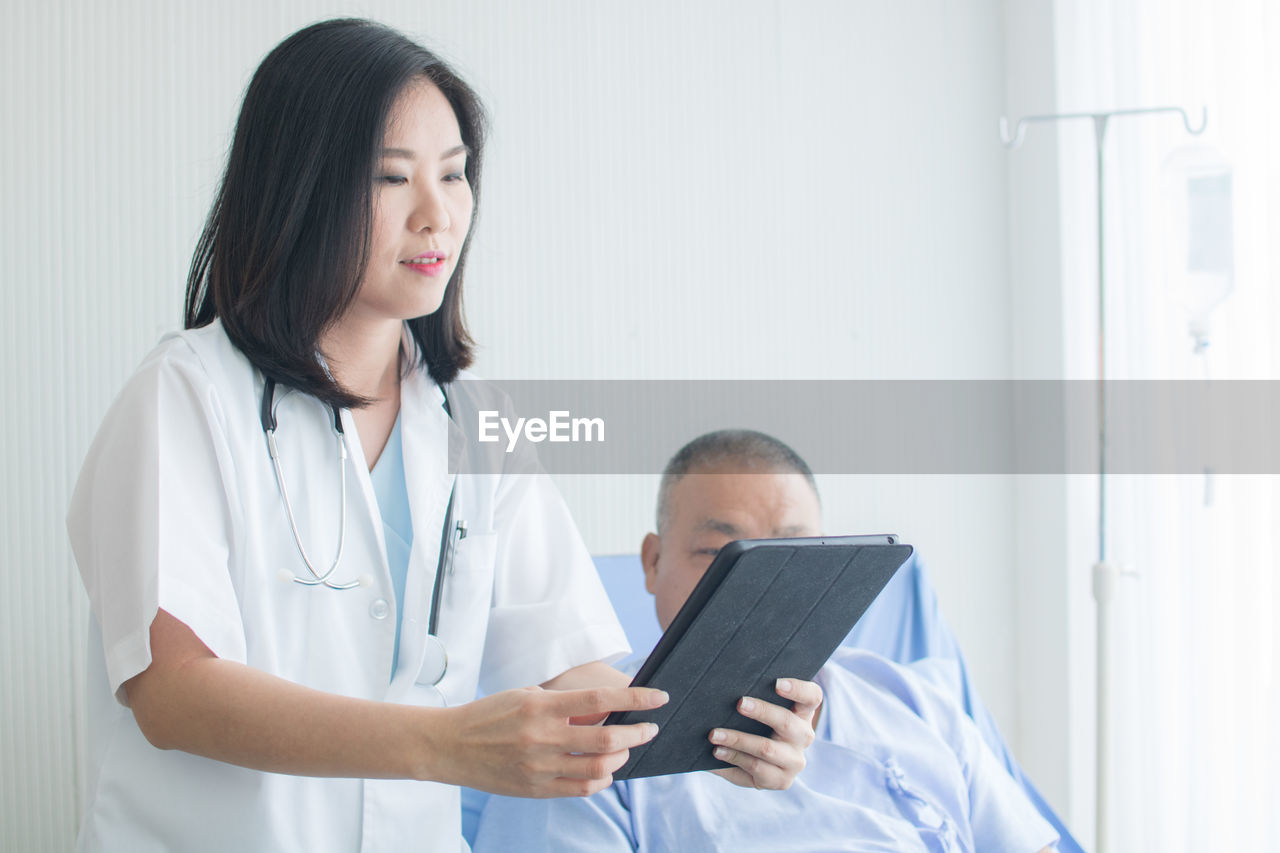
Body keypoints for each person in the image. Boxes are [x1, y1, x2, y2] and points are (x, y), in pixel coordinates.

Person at [65, 22, 820, 852]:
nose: (439, 214)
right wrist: (443, 742)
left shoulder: (474, 423)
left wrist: (720, 723)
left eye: (455, 174)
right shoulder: (185, 397)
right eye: (393, 178)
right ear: (299, 190)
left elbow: (567, 669)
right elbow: (172, 693)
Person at [473, 430, 1061, 853]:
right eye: (718, 554)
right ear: (652, 562)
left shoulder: (914, 701)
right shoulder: (579, 738)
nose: (757, 585)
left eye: (794, 552)